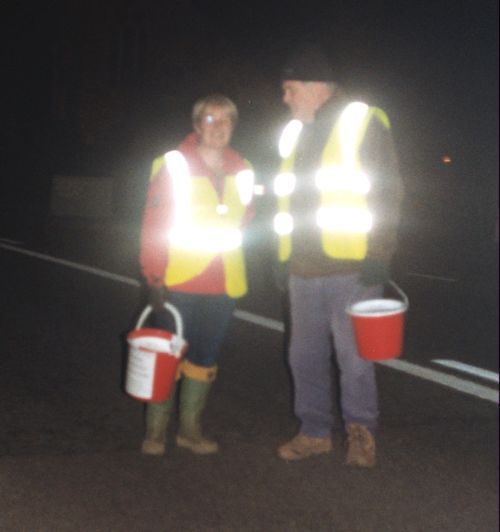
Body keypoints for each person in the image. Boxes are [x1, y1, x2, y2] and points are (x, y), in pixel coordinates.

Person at [273, 44, 404, 467]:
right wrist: (282, 255)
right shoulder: (294, 134)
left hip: (352, 266)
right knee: (303, 355)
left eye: (290, 89)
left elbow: (388, 190)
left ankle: (361, 433)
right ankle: (313, 433)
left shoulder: (361, 122)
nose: (285, 98)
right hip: (302, 268)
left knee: (356, 358)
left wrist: (380, 252)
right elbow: (286, 202)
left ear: (315, 89)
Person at [139, 94, 255, 456]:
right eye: (209, 119)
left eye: (225, 121)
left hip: (225, 283)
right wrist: (154, 278)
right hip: (179, 281)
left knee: (204, 359)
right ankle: (155, 433)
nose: (218, 127)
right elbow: (153, 225)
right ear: (196, 125)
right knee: (167, 358)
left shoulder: (244, 169)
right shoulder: (173, 165)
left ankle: (189, 431)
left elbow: (246, 218)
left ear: (233, 127)